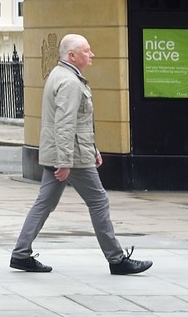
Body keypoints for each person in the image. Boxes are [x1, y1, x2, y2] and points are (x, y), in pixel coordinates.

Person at [10, 34, 152, 276]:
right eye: (87, 51)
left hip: (66, 152)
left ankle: (20, 254)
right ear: (72, 55)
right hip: (71, 156)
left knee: (45, 203)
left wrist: (92, 149)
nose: (91, 54)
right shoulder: (70, 82)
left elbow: (76, 122)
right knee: (98, 201)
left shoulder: (59, 75)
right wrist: (65, 162)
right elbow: (65, 124)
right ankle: (117, 260)